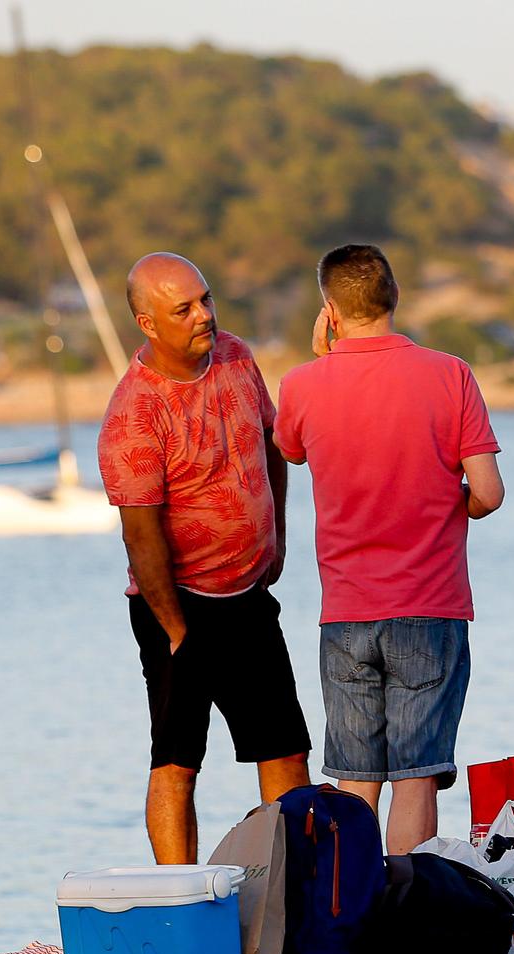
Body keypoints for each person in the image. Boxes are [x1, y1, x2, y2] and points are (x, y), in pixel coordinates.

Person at [275, 244, 505, 853]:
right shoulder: (449, 373)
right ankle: (407, 921)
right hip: (430, 608)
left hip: (346, 612)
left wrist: (324, 359)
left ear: (330, 309)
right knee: (417, 778)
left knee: (355, 782)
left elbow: (292, 450)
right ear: (394, 297)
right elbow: (488, 492)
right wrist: (449, 503)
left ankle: (351, 918)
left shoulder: (301, 384)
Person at [97, 252, 311, 862]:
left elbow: (273, 446)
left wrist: (278, 540)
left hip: (248, 596)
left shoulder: (238, 358)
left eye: (206, 299)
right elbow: (141, 541)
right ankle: (178, 893)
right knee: (177, 760)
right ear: (147, 322)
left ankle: (289, 891)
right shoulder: (134, 415)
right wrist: (176, 632)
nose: (203, 315)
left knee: (286, 750)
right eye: (183, 308)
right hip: (178, 606)